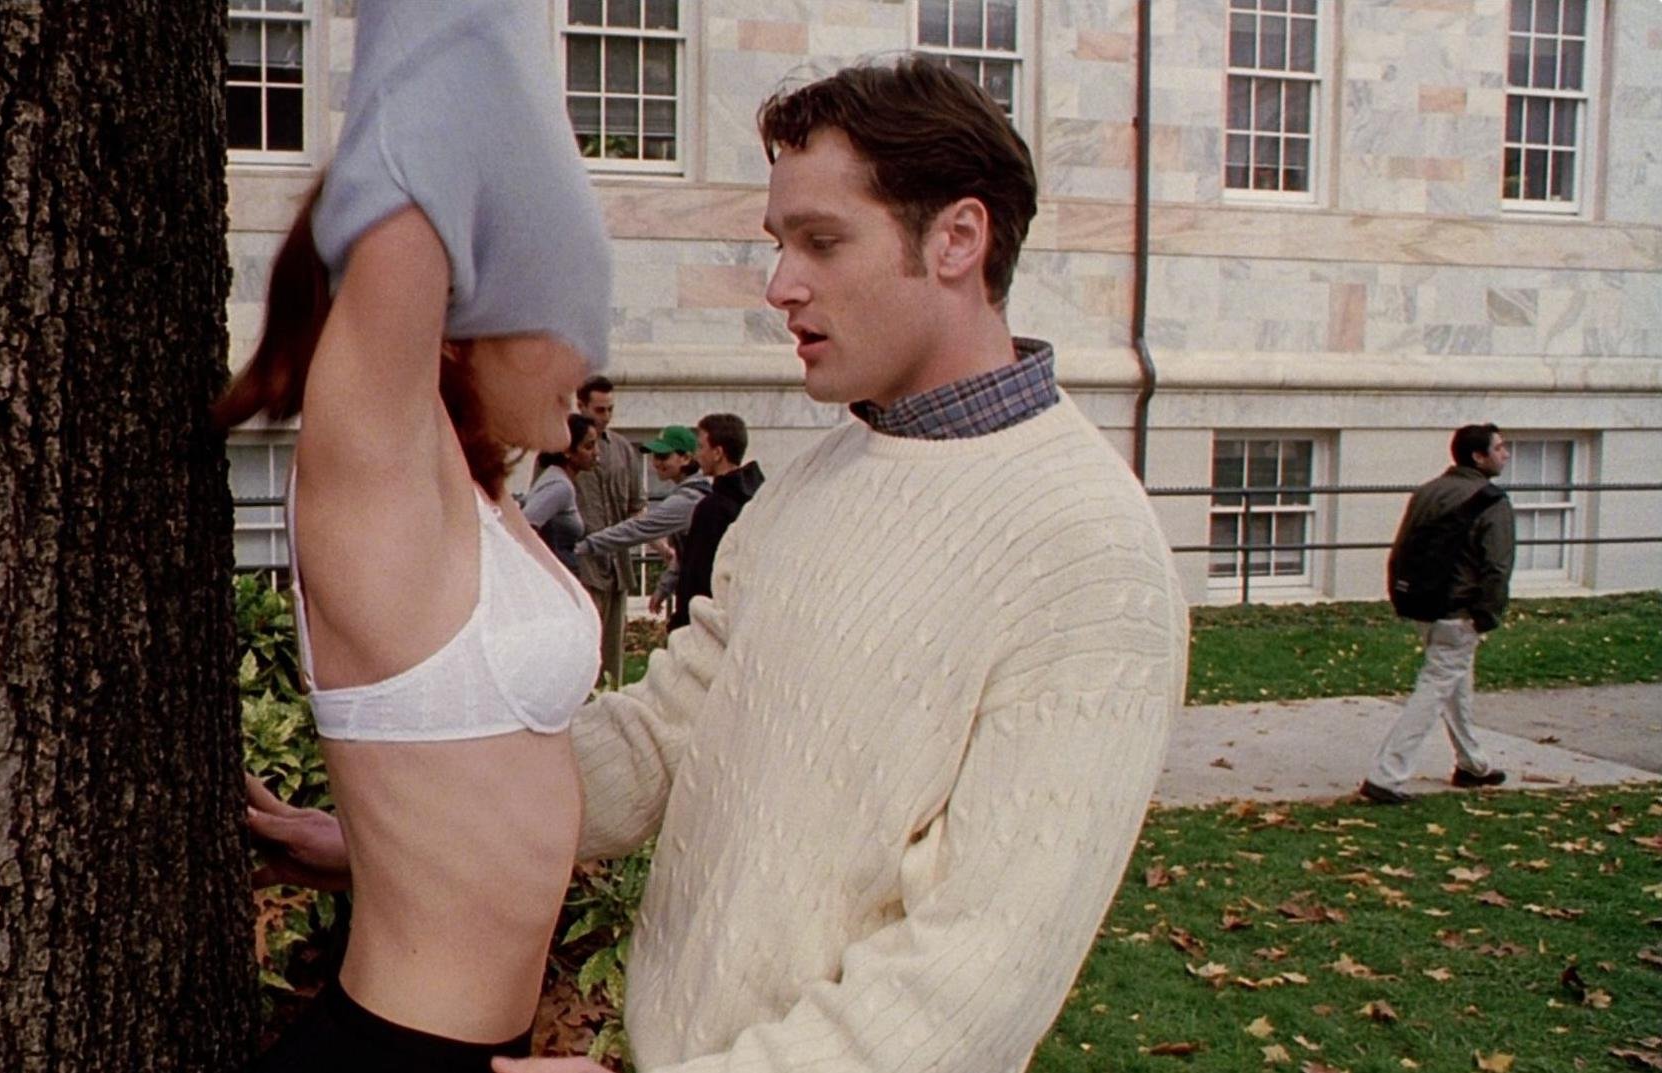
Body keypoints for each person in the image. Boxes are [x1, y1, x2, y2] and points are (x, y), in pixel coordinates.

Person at [256, 56, 1189, 1073]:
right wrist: (412, 841)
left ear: (959, 239)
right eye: (779, 243)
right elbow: (665, 736)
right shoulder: (818, 479)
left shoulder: (1091, 552)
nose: (780, 285)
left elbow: (972, 983)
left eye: (822, 241)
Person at [219, 4, 611, 1069]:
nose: (590, 354)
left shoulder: (476, 497)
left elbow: (471, 794)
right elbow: (417, 152)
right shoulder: (379, 478)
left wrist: (366, 848)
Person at [1359, 424, 1516, 805]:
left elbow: (1400, 549)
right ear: (1478, 457)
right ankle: (1385, 776)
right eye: (1499, 448)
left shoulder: (1427, 492)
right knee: (1434, 689)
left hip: (1424, 607)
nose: (1506, 454)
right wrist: (1488, 615)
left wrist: (1401, 596)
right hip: (1459, 613)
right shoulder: (1492, 502)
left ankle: (1472, 764)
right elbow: (1497, 567)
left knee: (1454, 684)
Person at [574, 426, 712, 626]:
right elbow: (685, 554)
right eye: (655, 456)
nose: (656, 463)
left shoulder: (687, 500)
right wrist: (664, 586)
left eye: (663, 456)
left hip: (702, 594)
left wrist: (585, 545)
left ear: (686, 458)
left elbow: (638, 528)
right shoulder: (695, 492)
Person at [571, 376, 646, 687]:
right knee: (582, 651)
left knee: (612, 655)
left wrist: (661, 547)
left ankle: (609, 700)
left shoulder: (623, 449)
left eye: (610, 410)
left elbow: (636, 507)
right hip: (581, 567)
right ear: (581, 406)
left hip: (617, 566)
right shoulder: (562, 451)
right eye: (599, 410)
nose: (605, 417)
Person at [660, 413, 764, 630]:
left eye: (701, 447)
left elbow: (696, 576)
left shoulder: (712, 509)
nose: (697, 454)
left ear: (717, 453)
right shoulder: (760, 499)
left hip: (708, 620)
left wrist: (680, 624)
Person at [521, 413, 601, 570]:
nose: (596, 452)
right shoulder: (560, 486)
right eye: (588, 447)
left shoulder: (558, 478)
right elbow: (526, 525)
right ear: (567, 451)